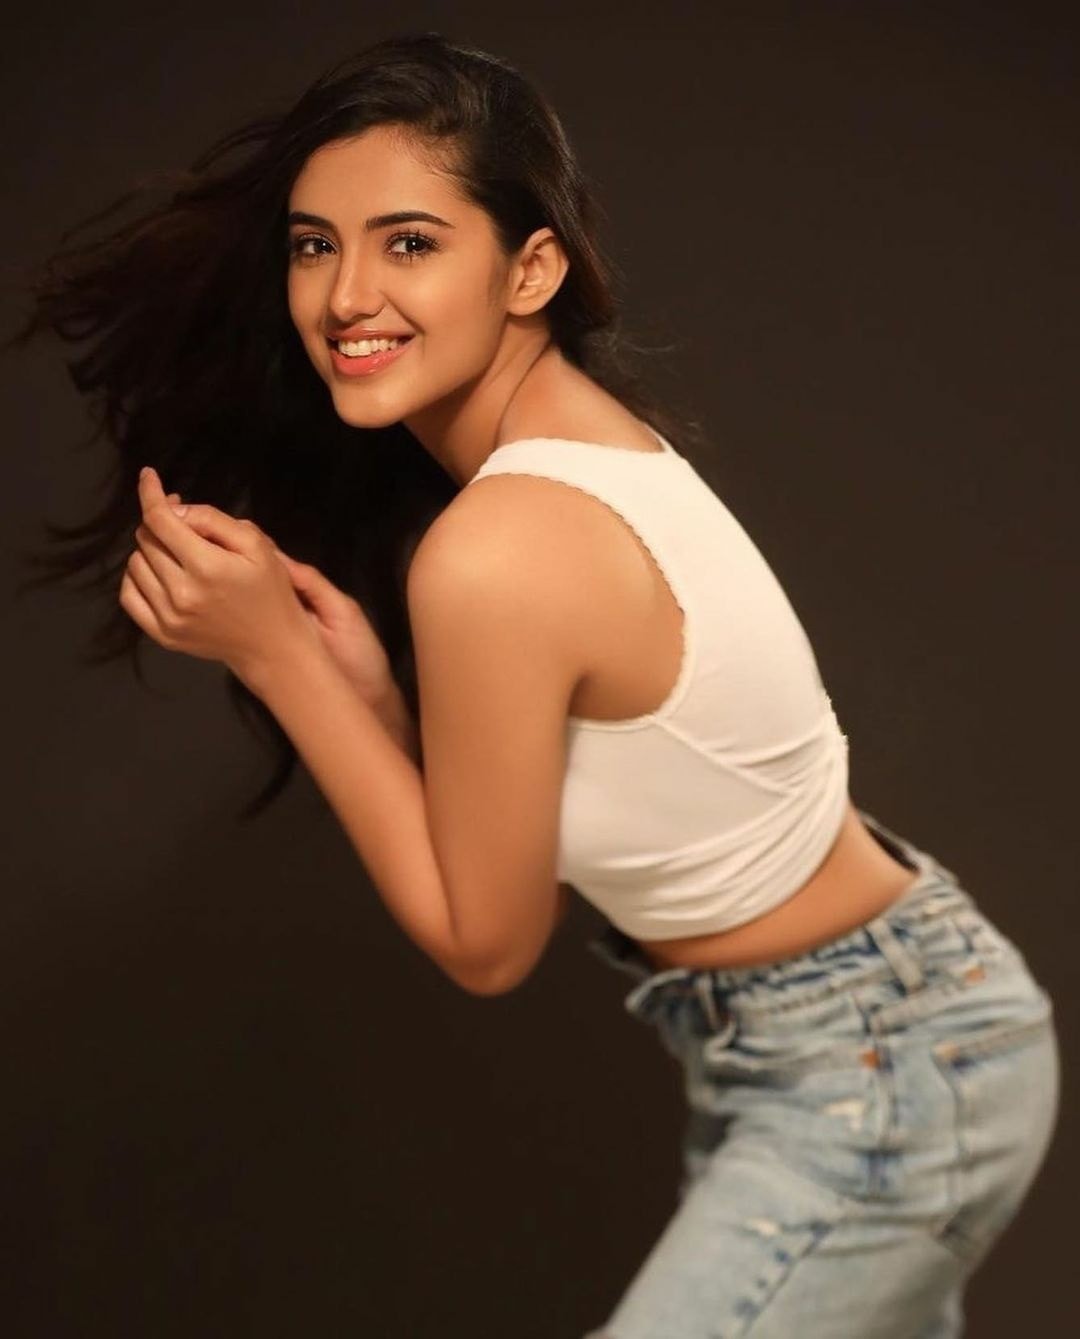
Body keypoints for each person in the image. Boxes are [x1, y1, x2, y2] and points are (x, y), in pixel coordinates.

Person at [9, 30, 1060, 1338]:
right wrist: (374, 699)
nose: (345, 297)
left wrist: (277, 660)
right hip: (866, 1037)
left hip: (880, 1073)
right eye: (313, 245)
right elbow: (554, 838)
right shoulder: (577, 460)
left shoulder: (500, 547)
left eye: (408, 242)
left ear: (532, 268)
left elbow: (488, 942)